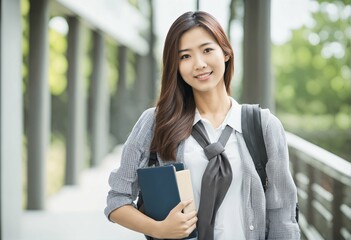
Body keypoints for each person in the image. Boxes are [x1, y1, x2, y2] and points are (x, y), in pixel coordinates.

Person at [104, 11, 300, 240]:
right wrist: (159, 229)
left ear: (226, 53)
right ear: (175, 65)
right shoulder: (155, 123)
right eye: (185, 56)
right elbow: (116, 200)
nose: (199, 64)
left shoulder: (263, 126)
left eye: (207, 50)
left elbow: (282, 214)